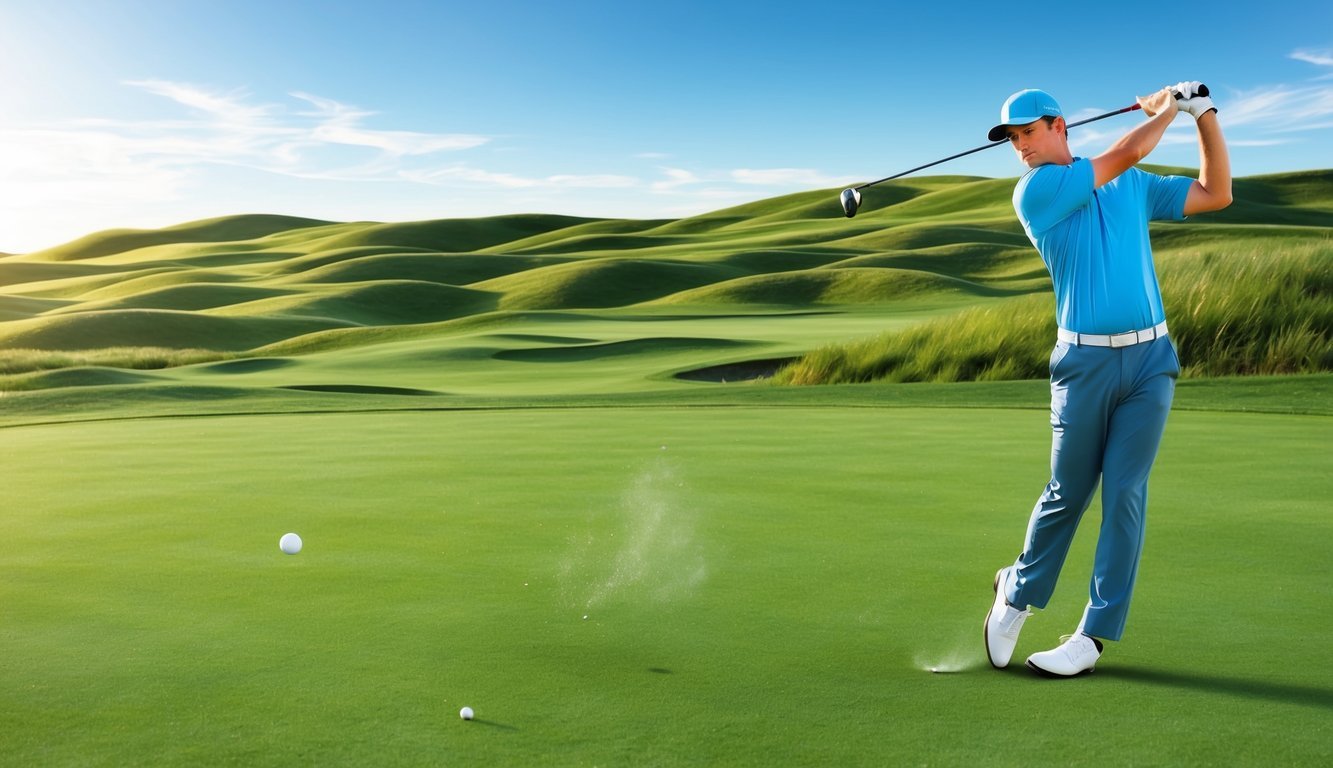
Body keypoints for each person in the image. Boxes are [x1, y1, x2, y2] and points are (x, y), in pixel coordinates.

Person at [982, 82, 1232, 677]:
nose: (1020, 146)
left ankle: (1092, 636)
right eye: (1011, 138)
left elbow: (1216, 193)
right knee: (1069, 493)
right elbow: (1124, 153)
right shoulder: (1036, 191)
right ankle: (1017, 590)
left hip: (1151, 362)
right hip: (1084, 364)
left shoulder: (1130, 188)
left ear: (1058, 125)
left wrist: (1204, 116)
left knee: (1125, 493)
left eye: (1027, 131)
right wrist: (1167, 109)